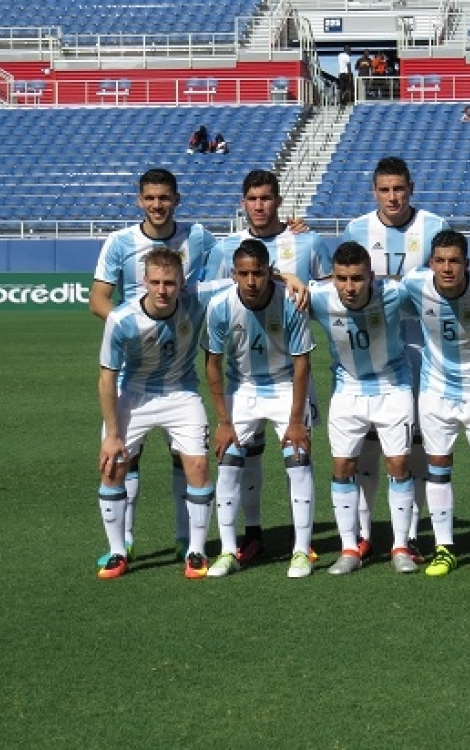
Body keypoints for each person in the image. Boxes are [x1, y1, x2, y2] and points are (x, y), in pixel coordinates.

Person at [90, 168, 217, 567]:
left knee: (187, 459)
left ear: (176, 199)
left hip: (180, 369)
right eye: (150, 198)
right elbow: (98, 298)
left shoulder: (199, 237)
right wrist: (138, 328)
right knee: (124, 459)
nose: (157, 205)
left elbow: (241, 263)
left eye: (164, 197)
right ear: (140, 200)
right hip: (135, 365)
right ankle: (123, 542)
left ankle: (186, 539)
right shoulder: (120, 242)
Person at [203, 169, 331, 565]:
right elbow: (213, 293)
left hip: (287, 374)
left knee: (298, 457)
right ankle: (245, 541)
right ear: (243, 203)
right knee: (239, 461)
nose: (259, 206)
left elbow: (331, 294)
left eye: (266, 198)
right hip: (242, 381)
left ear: (278, 201)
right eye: (252, 199)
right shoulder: (225, 250)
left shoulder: (307, 240)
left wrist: (295, 281)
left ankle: (301, 546)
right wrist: (283, 274)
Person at [96, 248, 232, 579]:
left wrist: (285, 276)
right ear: (144, 281)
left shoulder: (196, 298)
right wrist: (112, 435)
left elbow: (241, 281)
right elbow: (106, 378)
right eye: (155, 282)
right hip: (134, 395)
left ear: (182, 282)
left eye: (169, 283)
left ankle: (196, 551)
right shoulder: (122, 320)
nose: (162, 290)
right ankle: (117, 552)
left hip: (180, 394)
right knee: (113, 467)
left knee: (198, 466)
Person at [340, 156, 451, 563]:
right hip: (371, 352)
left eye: (399, 189)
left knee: (413, 446)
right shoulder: (356, 229)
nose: (392, 197)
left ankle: (412, 533)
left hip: (423, 350)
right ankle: (365, 532)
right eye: (385, 190)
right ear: (374, 191)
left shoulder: (434, 226)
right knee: (368, 445)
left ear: (411, 189)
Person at [400, 230, 470, 577]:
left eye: (454, 261)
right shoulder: (415, 283)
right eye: (440, 261)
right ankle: (444, 547)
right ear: (431, 263)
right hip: (435, 391)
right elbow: (371, 287)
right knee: (438, 466)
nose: (447, 268)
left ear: (467, 263)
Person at [307, 241, 419, 576]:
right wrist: (286, 276)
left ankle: (400, 546)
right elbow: (277, 287)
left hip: (393, 385)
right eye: (341, 278)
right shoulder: (320, 297)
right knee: (343, 466)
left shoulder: (395, 293)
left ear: (371, 276)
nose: (349, 287)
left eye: (357, 278)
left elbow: (436, 287)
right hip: (348, 389)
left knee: (399, 463)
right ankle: (349, 548)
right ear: (332, 277)